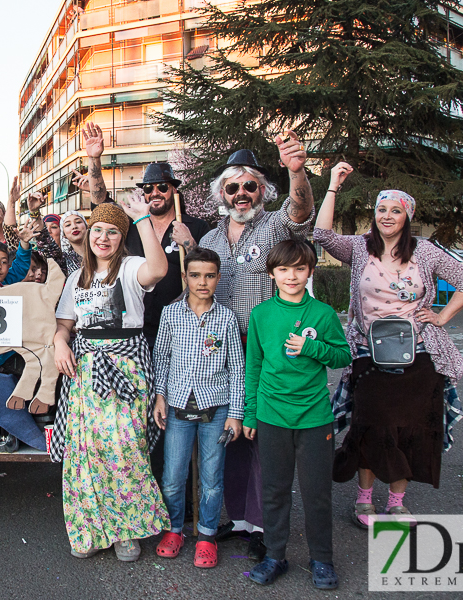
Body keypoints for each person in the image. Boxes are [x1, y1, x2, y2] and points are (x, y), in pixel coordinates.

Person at [313, 164, 463, 526]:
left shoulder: (426, 252)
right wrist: (332, 188)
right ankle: (363, 501)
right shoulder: (360, 247)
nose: (387, 216)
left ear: (407, 216)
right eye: (381, 209)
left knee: (411, 429)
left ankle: (398, 503)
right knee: (370, 425)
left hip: (418, 355)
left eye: (395, 210)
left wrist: (442, 316)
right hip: (369, 354)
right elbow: (322, 234)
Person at [199, 132, 316, 558]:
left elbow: (301, 210)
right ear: (222, 194)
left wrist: (296, 171)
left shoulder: (275, 225)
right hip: (221, 352)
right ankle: (239, 517)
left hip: (266, 349)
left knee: (265, 435)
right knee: (230, 433)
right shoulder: (209, 240)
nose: (242, 193)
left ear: (263, 190)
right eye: (233, 187)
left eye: (251, 185)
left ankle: (264, 525)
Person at [52, 200, 169, 562]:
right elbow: (65, 324)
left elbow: (160, 268)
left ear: (122, 238)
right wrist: (59, 343)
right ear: (88, 235)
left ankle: (125, 532)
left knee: (125, 449)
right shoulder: (77, 278)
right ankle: (88, 529)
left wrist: (142, 220)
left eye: (113, 231)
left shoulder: (132, 268)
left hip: (126, 368)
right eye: (98, 230)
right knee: (86, 452)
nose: (103, 237)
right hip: (85, 369)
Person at [241, 239, 350, 589]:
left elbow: (342, 356)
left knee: (316, 491)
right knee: (274, 490)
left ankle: (322, 559)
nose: (292, 276)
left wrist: (312, 347)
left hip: (315, 418)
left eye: (300, 268)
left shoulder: (323, 314)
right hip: (272, 417)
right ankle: (275, 555)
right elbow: (254, 368)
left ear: (310, 271)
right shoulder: (261, 315)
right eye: (284, 269)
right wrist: (250, 415)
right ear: (272, 273)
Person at [78, 122, 212, 349]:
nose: (155, 193)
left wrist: (189, 243)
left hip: (179, 325)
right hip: (134, 328)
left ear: (174, 190)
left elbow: (207, 272)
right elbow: (101, 202)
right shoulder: (132, 225)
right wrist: (94, 160)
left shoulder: (195, 227)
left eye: (162, 187)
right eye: (148, 189)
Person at [151, 247, 244, 568]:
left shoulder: (227, 317)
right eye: (195, 275)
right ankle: (174, 529)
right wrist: (159, 395)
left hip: (216, 409)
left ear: (218, 278)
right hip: (176, 406)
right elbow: (160, 357)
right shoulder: (171, 314)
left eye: (209, 275)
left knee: (212, 477)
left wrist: (236, 414)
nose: (202, 282)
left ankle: (206, 535)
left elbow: (237, 369)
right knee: (173, 476)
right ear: (184, 277)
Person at [59, 210, 88, 275]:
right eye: (68, 225)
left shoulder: (100, 252)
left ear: (86, 227)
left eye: (78, 222)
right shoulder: (63, 260)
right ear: (64, 235)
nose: (74, 226)